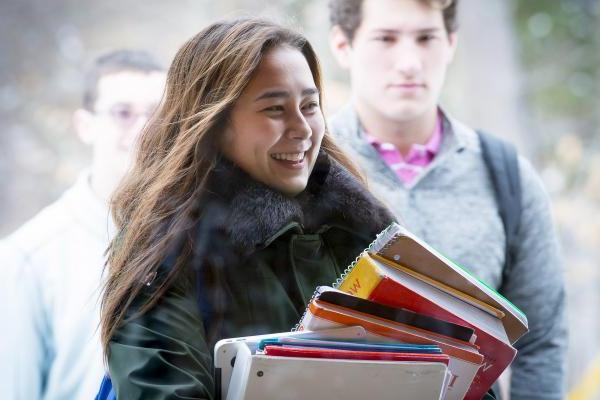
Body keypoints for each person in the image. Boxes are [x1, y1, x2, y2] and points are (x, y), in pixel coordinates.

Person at [99, 18, 394, 399]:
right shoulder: (166, 248)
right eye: (275, 109)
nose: (302, 128)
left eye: (309, 105)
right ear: (214, 123)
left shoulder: (367, 230)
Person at [326, 0, 567, 399]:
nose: (409, 61)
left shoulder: (508, 175)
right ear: (342, 45)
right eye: (385, 38)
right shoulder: (308, 168)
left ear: (451, 43)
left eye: (426, 38)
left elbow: (542, 339)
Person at [0, 50, 166, 400]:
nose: (142, 130)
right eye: (123, 113)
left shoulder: (194, 239)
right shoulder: (27, 259)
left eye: (156, 114)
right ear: (85, 125)